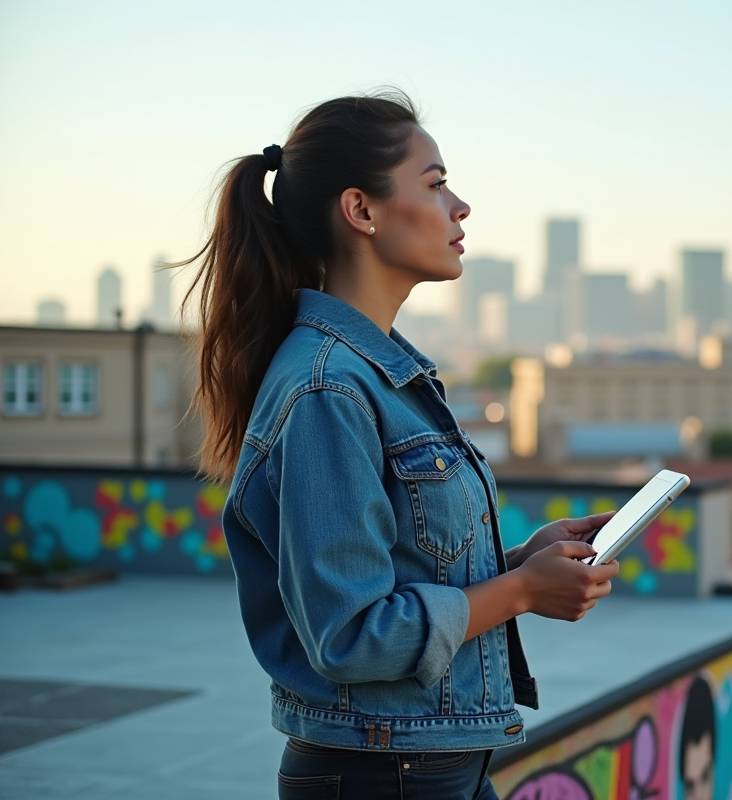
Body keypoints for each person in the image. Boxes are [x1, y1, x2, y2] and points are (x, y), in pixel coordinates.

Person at [182, 91, 621, 800]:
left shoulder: (380, 372)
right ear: (362, 210)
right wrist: (519, 593)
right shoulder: (329, 389)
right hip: (382, 775)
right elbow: (353, 634)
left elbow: (392, 576)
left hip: (427, 763)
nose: (460, 206)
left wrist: (522, 562)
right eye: (436, 182)